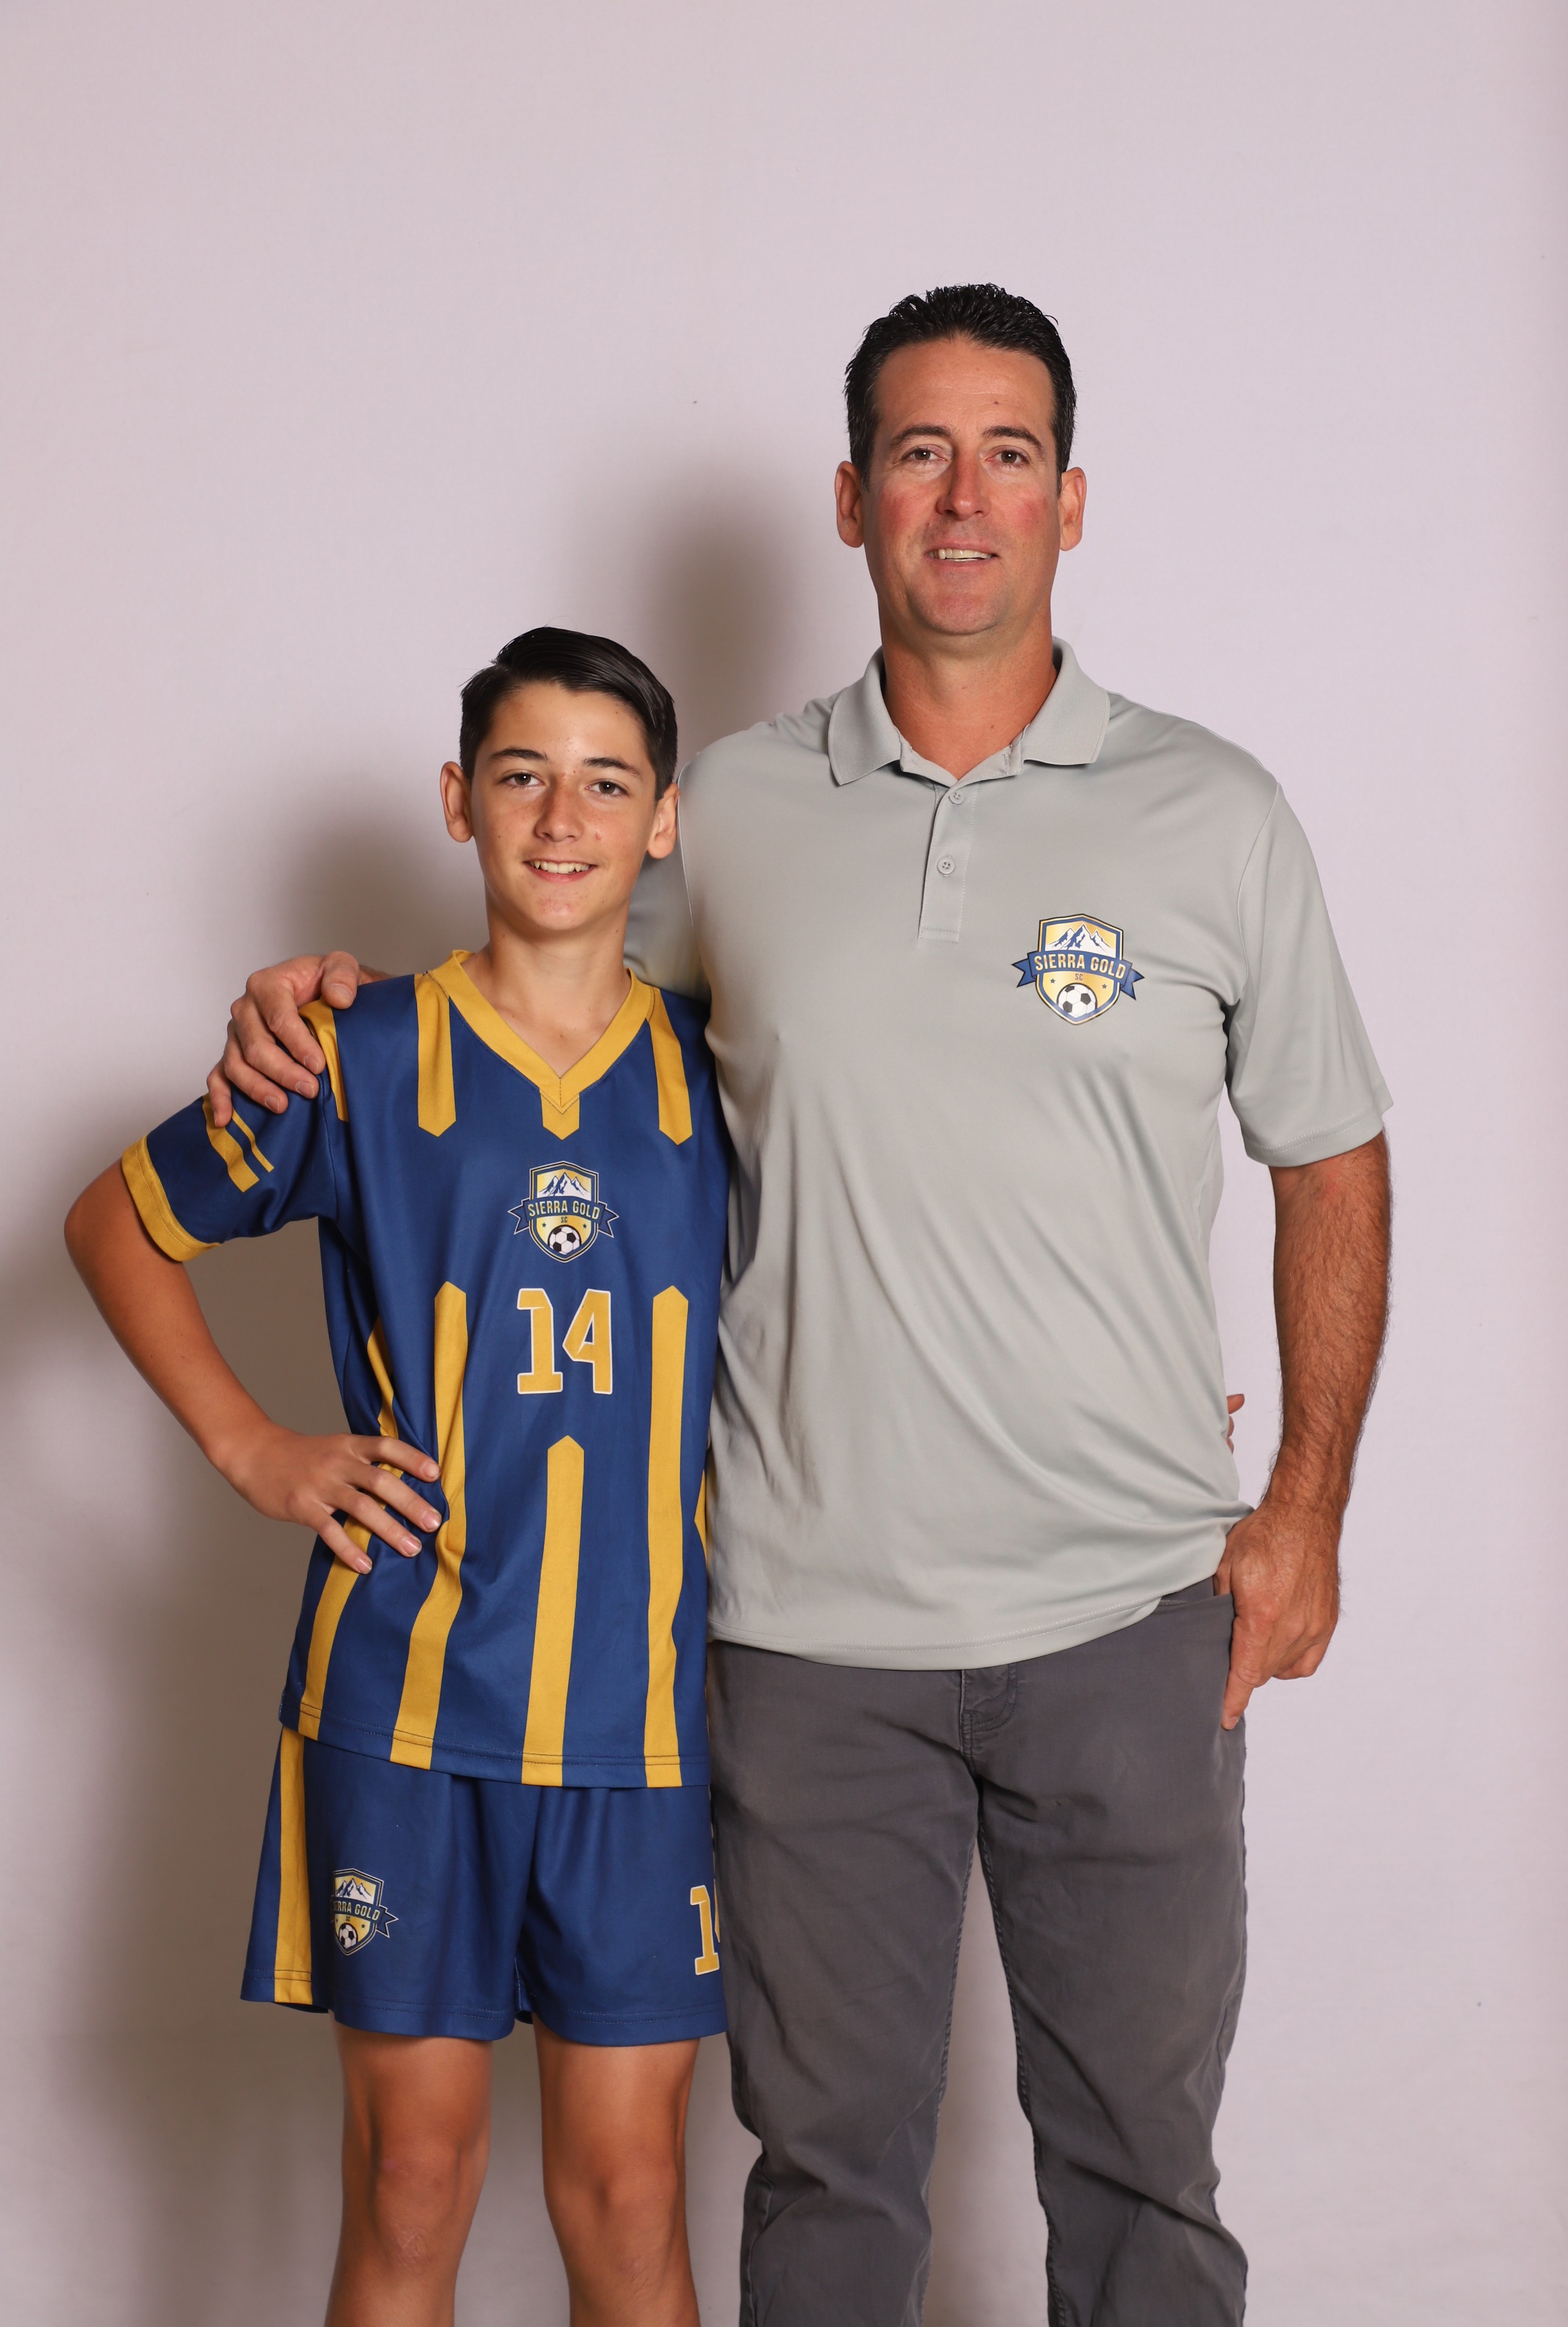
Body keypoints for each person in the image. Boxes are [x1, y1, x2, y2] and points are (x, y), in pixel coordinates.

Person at [208, 286, 1392, 2326]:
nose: (965, 496)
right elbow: (541, 989)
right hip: (804, 1637)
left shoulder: (1215, 812)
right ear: (853, 500)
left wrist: (1308, 1507)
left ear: (1073, 501)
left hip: (1127, 1611)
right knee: (831, 2185)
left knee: (1144, 2179)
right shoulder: (733, 808)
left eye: (1009, 454)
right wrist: (329, 1007)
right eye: (920, 454)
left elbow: (1333, 1158)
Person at [66, 628, 732, 2327]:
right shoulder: (350, 1053)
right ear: (458, 801)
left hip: (641, 1724)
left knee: (634, 2199)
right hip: (408, 1710)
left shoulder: (727, 1069)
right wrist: (255, 1446)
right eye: (522, 776)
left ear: (664, 819)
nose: (562, 818)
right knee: (414, 2183)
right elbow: (115, 1225)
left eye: (606, 782)